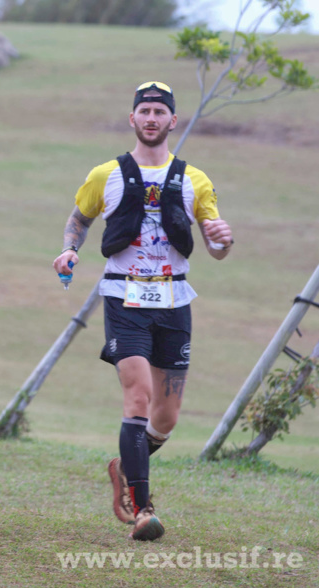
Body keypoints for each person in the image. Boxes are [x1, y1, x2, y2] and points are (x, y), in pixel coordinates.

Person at [52, 82, 233, 541]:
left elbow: (216, 249)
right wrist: (69, 250)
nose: (151, 118)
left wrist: (223, 240)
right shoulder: (105, 175)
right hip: (124, 298)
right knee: (137, 399)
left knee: (166, 416)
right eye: (144, 111)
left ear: (173, 122)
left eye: (159, 112)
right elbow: (79, 218)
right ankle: (142, 507)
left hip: (174, 302)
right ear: (132, 119)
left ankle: (125, 468)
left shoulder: (196, 181)